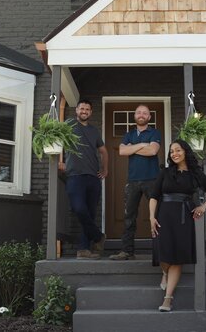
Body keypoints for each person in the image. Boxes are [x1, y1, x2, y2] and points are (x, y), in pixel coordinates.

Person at [149, 139, 206, 312]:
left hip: (184, 218)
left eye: (177, 150)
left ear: (185, 151)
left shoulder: (196, 174)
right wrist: (151, 217)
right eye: (171, 152)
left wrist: (203, 206)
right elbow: (154, 196)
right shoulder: (165, 172)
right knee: (164, 253)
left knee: (177, 258)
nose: (174, 154)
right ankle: (164, 272)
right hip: (164, 215)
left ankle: (168, 299)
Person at [109, 104, 162, 260]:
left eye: (145, 113)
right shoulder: (129, 134)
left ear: (149, 117)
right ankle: (127, 251)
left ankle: (160, 250)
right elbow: (122, 151)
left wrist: (132, 148)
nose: (141, 115)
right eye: (138, 112)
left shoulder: (154, 132)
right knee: (129, 217)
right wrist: (141, 145)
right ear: (135, 116)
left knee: (158, 215)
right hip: (132, 181)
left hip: (152, 179)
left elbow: (153, 150)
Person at [61, 99, 108, 259]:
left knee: (90, 213)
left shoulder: (95, 131)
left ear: (91, 112)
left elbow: (103, 151)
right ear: (77, 110)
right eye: (82, 108)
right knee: (79, 209)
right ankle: (98, 236)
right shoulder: (69, 124)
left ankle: (83, 249)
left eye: (87, 109)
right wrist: (59, 161)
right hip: (75, 176)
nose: (84, 111)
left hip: (93, 177)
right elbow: (56, 137)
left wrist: (105, 169)